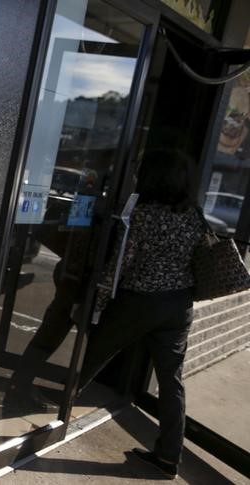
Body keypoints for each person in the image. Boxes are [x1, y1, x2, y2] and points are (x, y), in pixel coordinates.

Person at [77, 148, 207, 478]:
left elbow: (121, 264)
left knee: (92, 353)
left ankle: (50, 412)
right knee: (171, 381)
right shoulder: (194, 214)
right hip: (178, 305)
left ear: (152, 177)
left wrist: (96, 303)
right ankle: (168, 456)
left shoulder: (142, 214)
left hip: (140, 300)